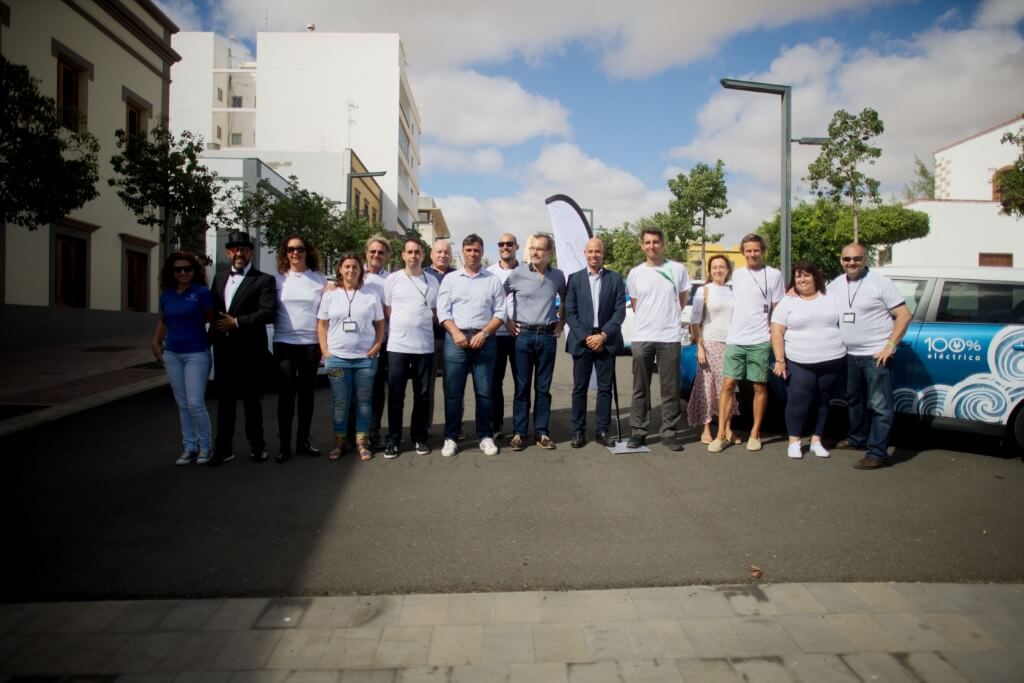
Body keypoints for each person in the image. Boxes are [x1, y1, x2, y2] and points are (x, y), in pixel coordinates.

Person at [828, 242, 911, 470]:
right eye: (847, 259)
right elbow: (817, 300)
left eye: (856, 258)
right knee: (853, 400)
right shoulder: (836, 284)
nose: (851, 263)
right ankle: (857, 438)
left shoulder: (880, 282)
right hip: (849, 354)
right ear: (841, 260)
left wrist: (890, 345)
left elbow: (904, 315)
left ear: (865, 259)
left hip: (875, 355)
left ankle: (877, 453)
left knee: (880, 405)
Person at [709, 233, 784, 453]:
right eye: (748, 250)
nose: (752, 254)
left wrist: (774, 337)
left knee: (759, 386)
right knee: (728, 385)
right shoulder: (738, 275)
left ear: (763, 251)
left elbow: (778, 309)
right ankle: (721, 434)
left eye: (756, 250)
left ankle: (755, 434)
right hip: (735, 340)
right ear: (743, 253)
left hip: (760, 340)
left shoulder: (774, 275)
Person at [209, 230, 277, 466]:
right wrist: (209, 340)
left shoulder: (264, 280)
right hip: (224, 351)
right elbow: (214, 311)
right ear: (228, 252)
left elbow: (267, 313)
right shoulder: (219, 278)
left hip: (251, 352)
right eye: (235, 250)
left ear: (250, 253)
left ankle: (257, 447)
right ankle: (223, 449)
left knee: (252, 403)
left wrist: (236, 322)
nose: (239, 254)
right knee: (225, 403)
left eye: (244, 250)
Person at [436, 234, 507, 457]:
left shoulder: (492, 280)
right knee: (453, 393)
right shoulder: (451, 279)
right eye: (468, 250)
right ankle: (451, 437)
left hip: (484, 340)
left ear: (482, 252)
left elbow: (501, 312)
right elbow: (443, 312)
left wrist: (484, 333)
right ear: (463, 252)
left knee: (484, 392)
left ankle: (485, 436)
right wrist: (455, 332)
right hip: (455, 340)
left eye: (476, 250)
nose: (472, 254)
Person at [771, 261, 847, 460]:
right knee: (798, 401)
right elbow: (777, 331)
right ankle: (794, 442)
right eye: (798, 276)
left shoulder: (831, 297)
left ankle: (816, 441)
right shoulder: (788, 301)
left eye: (806, 275)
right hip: (799, 360)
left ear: (815, 277)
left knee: (823, 401)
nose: (802, 279)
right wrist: (780, 360)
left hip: (832, 359)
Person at [625, 228, 690, 451]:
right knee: (640, 387)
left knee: (670, 388)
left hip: (669, 336)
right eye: (647, 242)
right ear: (642, 245)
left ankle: (669, 432)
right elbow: (636, 304)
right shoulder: (635, 273)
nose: (651, 246)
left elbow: (681, 300)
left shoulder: (677, 269)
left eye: (655, 242)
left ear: (663, 244)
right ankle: (639, 431)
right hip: (643, 336)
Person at [317, 252, 386, 462]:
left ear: (360, 270)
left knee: (364, 401)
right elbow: (322, 324)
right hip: (337, 358)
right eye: (347, 266)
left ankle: (362, 442)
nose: (351, 270)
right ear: (340, 269)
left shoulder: (370, 295)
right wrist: (325, 351)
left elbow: (380, 324)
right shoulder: (330, 295)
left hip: (365, 359)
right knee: (340, 402)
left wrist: (377, 345)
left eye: (355, 267)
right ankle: (340, 442)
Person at [152, 252, 215, 465]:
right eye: (177, 269)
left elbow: (212, 321)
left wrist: (207, 342)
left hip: (196, 353)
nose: (183, 273)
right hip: (172, 354)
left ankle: (206, 446)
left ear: (194, 271)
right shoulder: (167, 294)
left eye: (187, 269)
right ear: (171, 272)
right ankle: (189, 447)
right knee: (182, 403)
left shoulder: (201, 293)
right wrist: (156, 341)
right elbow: (164, 320)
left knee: (195, 402)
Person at [503, 233, 566, 451]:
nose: (535, 252)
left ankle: (542, 432)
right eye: (533, 248)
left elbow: (566, 298)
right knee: (522, 387)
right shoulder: (518, 273)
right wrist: (507, 321)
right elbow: (498, 296)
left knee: (543, 388)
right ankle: (519, 433)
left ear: (550, 253)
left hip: (547, 337)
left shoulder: (557, 276)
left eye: (540, 249)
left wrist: (562, 320)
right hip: (523, 336)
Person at [565, 238, 626, 448]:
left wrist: (603, 335)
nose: (594, 255)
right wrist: (587, 338)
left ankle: (602, 430)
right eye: (590, 251)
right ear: (585, 253)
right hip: (582, 341)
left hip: (606, 340)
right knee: (579, 388)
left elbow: (619, 311)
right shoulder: (574, 279)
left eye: (597, 251)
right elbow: (570, 313)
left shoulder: (615, 279)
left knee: (605, 388)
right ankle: (578, 431)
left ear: (603, 253)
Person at [383, 238, 439, 458]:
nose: (413, 256)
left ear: (423, 255)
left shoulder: (432, 281)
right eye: (410, 252)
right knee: (396, 395)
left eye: (417, 252)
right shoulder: (393, 279)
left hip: (424, 346)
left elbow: (434, 311)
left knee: (423, 395)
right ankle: (393, 440)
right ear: (403, 255)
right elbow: (388, 311)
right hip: (398, 346)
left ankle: (419, 438)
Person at [273, 235, 326, 463]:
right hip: (284, 342)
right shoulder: (277, 280)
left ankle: (303, 441)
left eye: (300, 249)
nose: (296, 253)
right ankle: (284, 445)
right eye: (291, 249)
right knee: (286, 394)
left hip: (311, 344)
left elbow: (327, 311)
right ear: (285, 253)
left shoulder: (319, 279)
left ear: (307, 251)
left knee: (306, 394)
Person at [687, 254, 739, 445]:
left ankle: (727, 428)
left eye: (722, 267)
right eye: (715, 267)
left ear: (728, 270)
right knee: (707, 388)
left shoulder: (733, 291)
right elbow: (694, 322)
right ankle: (707, 428)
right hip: (709, 344)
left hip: (731, 344)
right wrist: (699, 347)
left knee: (729, 388)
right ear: (710, 270)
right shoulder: (704, 291)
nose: (718, 270)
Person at [486, 233, 520, 438]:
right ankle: (496, 425)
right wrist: (503, 321)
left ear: (516, 247)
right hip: (495, 336)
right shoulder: (489, 273)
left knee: (521, 383)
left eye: (509, 244)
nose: (505, 247)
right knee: (494, 383)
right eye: (501, 244)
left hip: (519, 335)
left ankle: (519, 427)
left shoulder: (526, 271)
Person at [425, 238, 457, 431]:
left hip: (452, 337)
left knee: (453, 386)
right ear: (431, 255)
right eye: (439, 252)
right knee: (427, 387)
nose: (443, 255)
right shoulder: (423, 275)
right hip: (428, 338)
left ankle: (455, 426)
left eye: (446, 252)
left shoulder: (458, 275)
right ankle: (426, 426)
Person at [363, 236, 391, 451]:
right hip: (356, 342)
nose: (376, 255)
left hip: (382, 341)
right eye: (372, 251)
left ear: (387, 256)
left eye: (381, 252)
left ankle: (374, 432)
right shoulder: (355, 274)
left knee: (377, 389)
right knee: (356, 391)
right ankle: (354, 434)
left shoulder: (392, 280)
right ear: (366, 253)